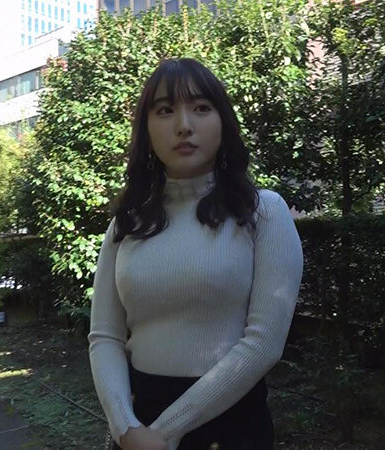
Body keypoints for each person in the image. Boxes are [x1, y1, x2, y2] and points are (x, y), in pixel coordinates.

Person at [88, 58, 304, 450]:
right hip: (138, 428)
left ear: (223, 122)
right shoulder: (128, 224)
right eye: (165, 110)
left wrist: (164, 433)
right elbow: (104, 336)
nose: (184, 125)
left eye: (201, 108)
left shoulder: (263, 212)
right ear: (146, 128)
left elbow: (264, 343)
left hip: (232, 430)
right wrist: (126, 428)